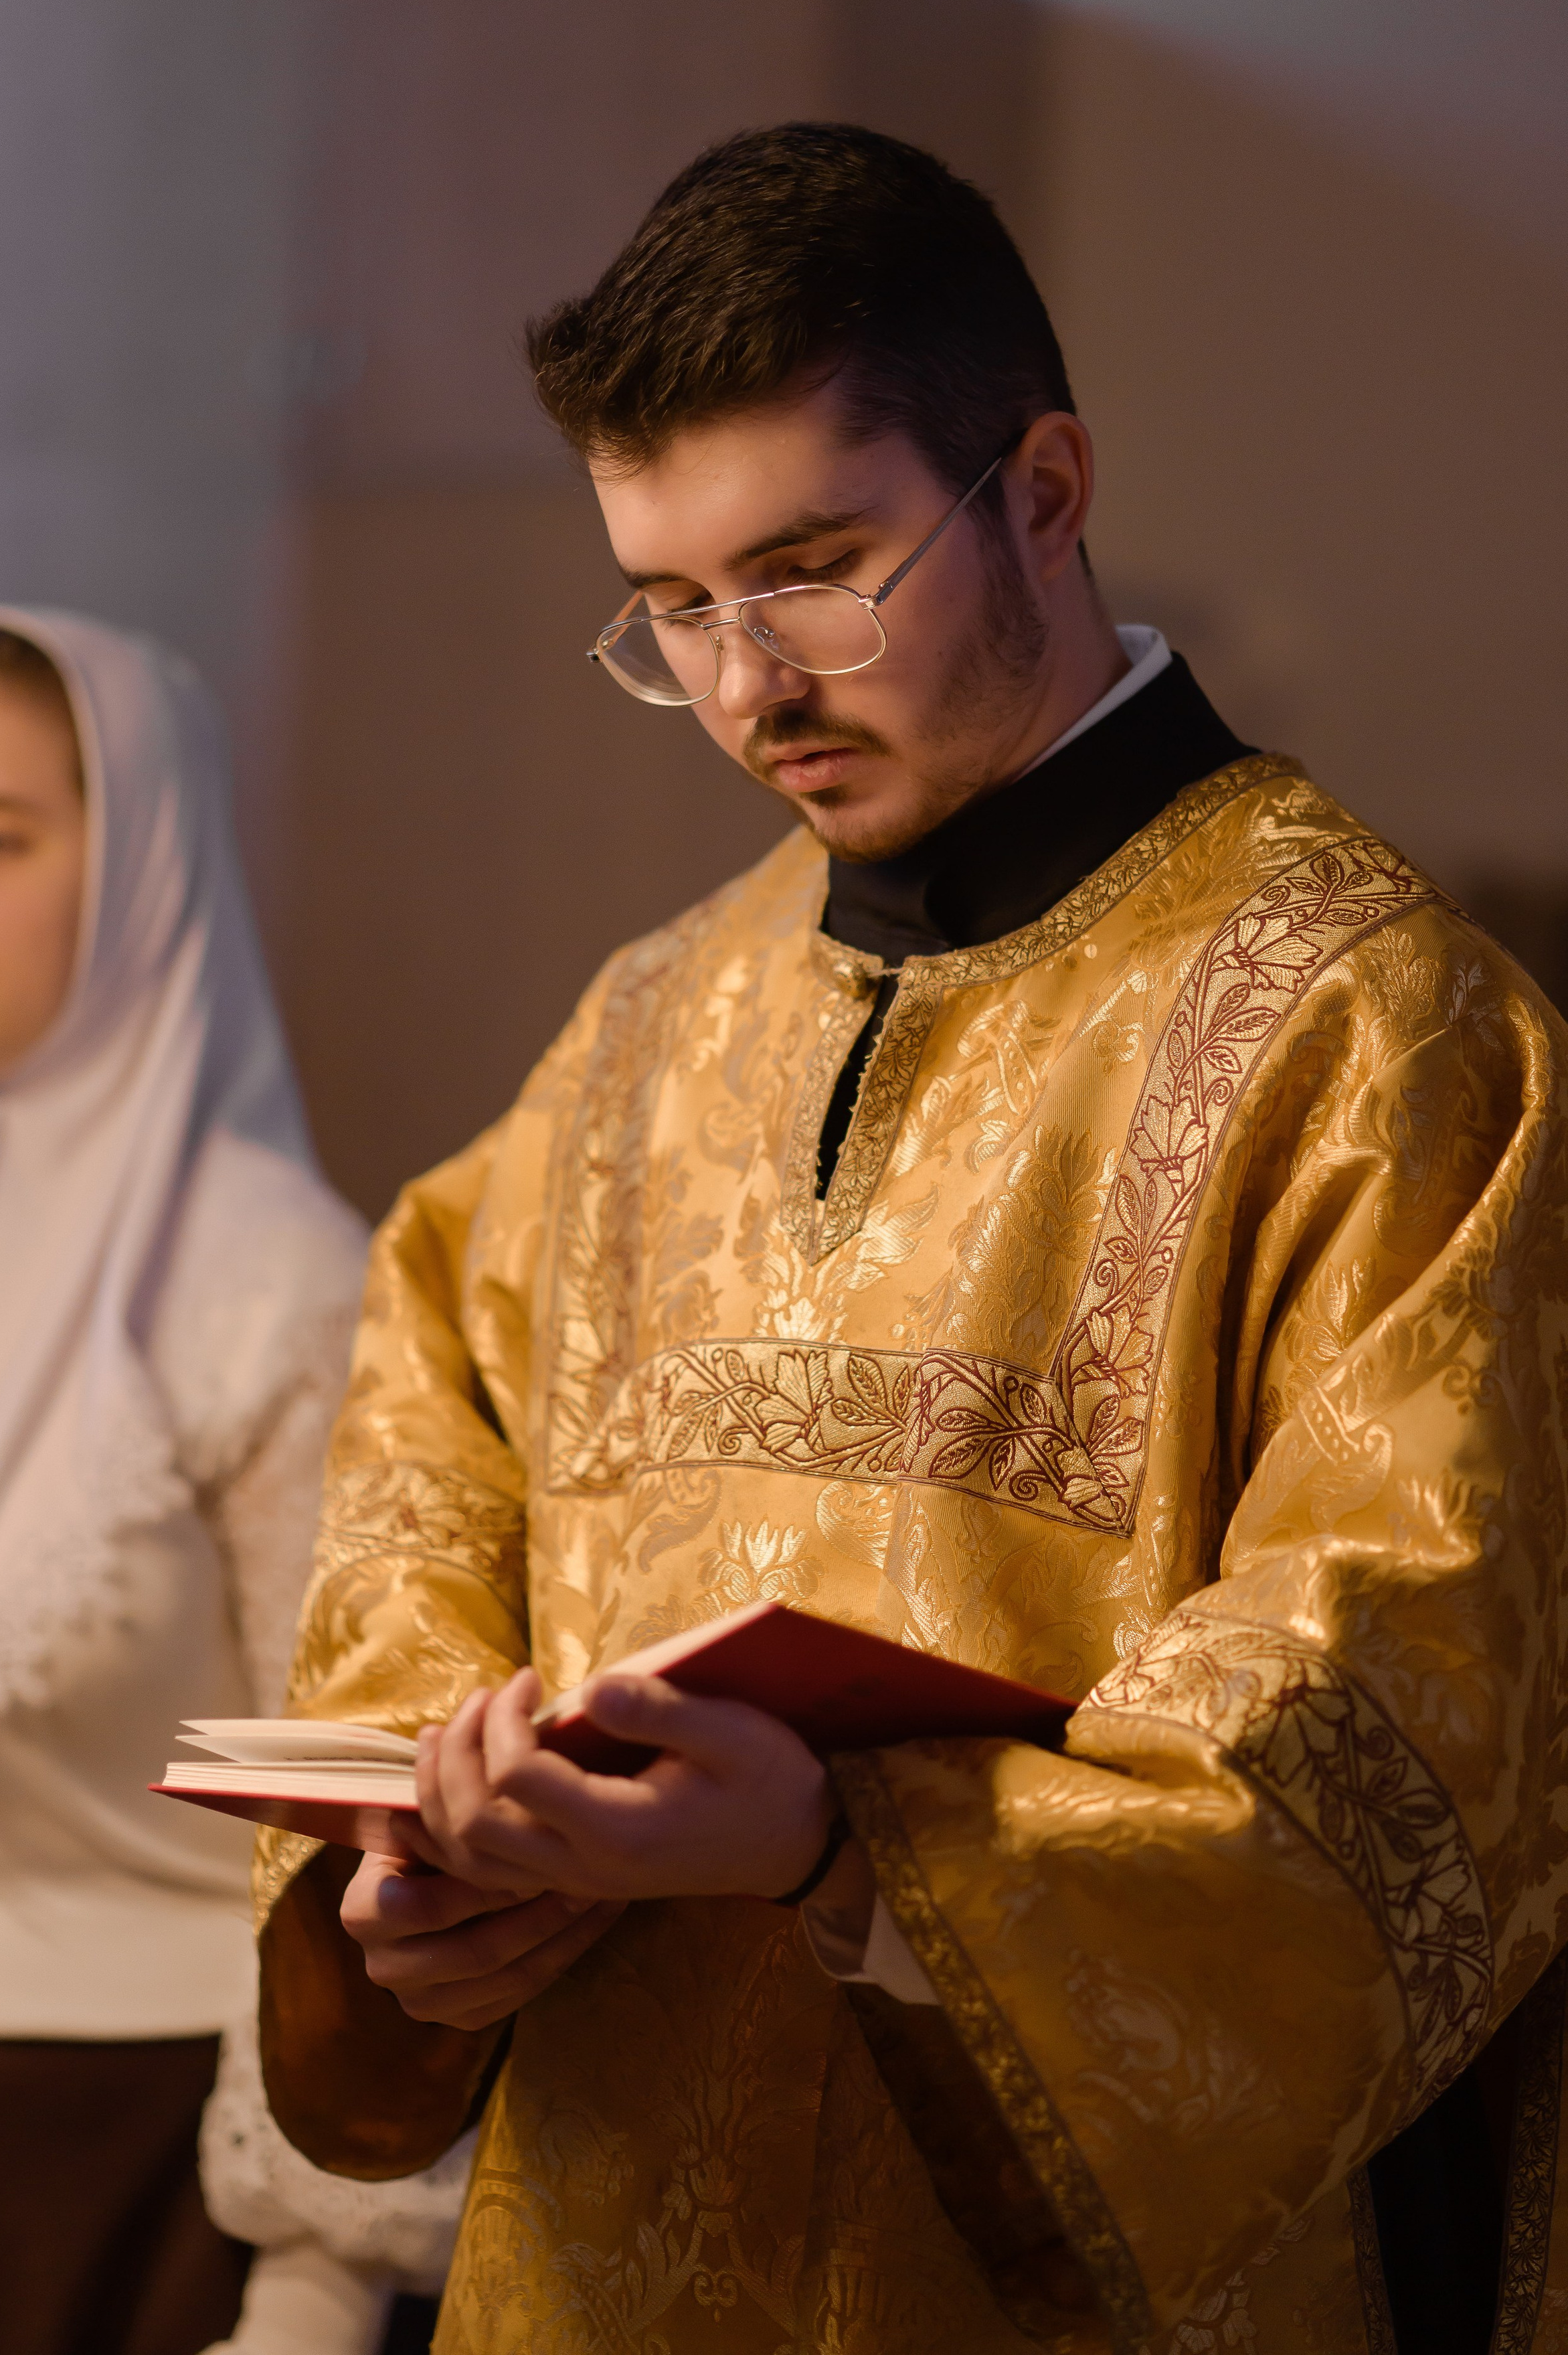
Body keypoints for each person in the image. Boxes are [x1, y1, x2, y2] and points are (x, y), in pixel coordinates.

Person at [253, 127, 1568, 2355]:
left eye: (813, 573)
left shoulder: (1376, 1026)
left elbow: (1402, 1739)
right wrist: (415, 1871)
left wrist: (850, 1857)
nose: (745, 687)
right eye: (672, 607)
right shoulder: (651, 1016)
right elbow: (431, 1447)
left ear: (1044, 488)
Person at [0, 606, 460, 2354]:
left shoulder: (268, 1278)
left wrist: (320, 2286)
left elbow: (351, 1808)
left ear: (142, 867)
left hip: (120, 2190)